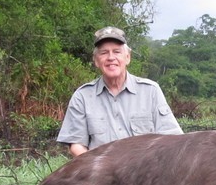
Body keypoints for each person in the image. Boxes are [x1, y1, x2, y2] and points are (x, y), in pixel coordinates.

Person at [57, 26, 183, 156]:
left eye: (117, 52)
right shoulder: (82, 96)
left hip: (147, 173)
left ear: (127, 57)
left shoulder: (151, 91)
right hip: (99, 174)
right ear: (96, 60)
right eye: (104, 52)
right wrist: (98, 172)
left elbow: (173, 139)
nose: (111, 57)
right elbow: (76, 145)